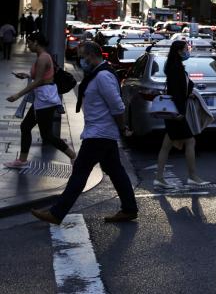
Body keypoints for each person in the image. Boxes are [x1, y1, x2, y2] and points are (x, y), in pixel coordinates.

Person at [30, 42, 138, 225]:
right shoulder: (97, 74)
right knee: (115, 170)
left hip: (99, 133)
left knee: (80, 173)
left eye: (82, 56)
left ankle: (57, 213)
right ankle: (129, 209)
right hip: (102, 132)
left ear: (91, 55)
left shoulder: (103, 76)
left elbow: (118, 106)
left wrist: (121, 128)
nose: (81, 60)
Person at [4, 33, 76, 169]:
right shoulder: (42, 56)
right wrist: (26, 75)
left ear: (36, 43)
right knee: (26, 127)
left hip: (45, 100)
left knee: (46, 134)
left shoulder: (43, 58)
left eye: (30, 42)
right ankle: (22, 160)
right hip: (42, 99)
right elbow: (42, 77)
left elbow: (39, 81)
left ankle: (73, 156)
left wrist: (17, 95)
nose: (28, 45)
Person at [154, 40, 209, 188]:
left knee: (167, 145)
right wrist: (178, 113)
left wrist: (188, 95)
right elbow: (176, 92)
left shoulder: (175, 66)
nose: (188, 51)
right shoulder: (175, 68)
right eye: (186, 48)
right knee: (190, 141)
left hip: (175, 112)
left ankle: (160, 178)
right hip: (176, 113)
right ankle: (192, 176)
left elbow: (181, 89)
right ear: (179, 51)